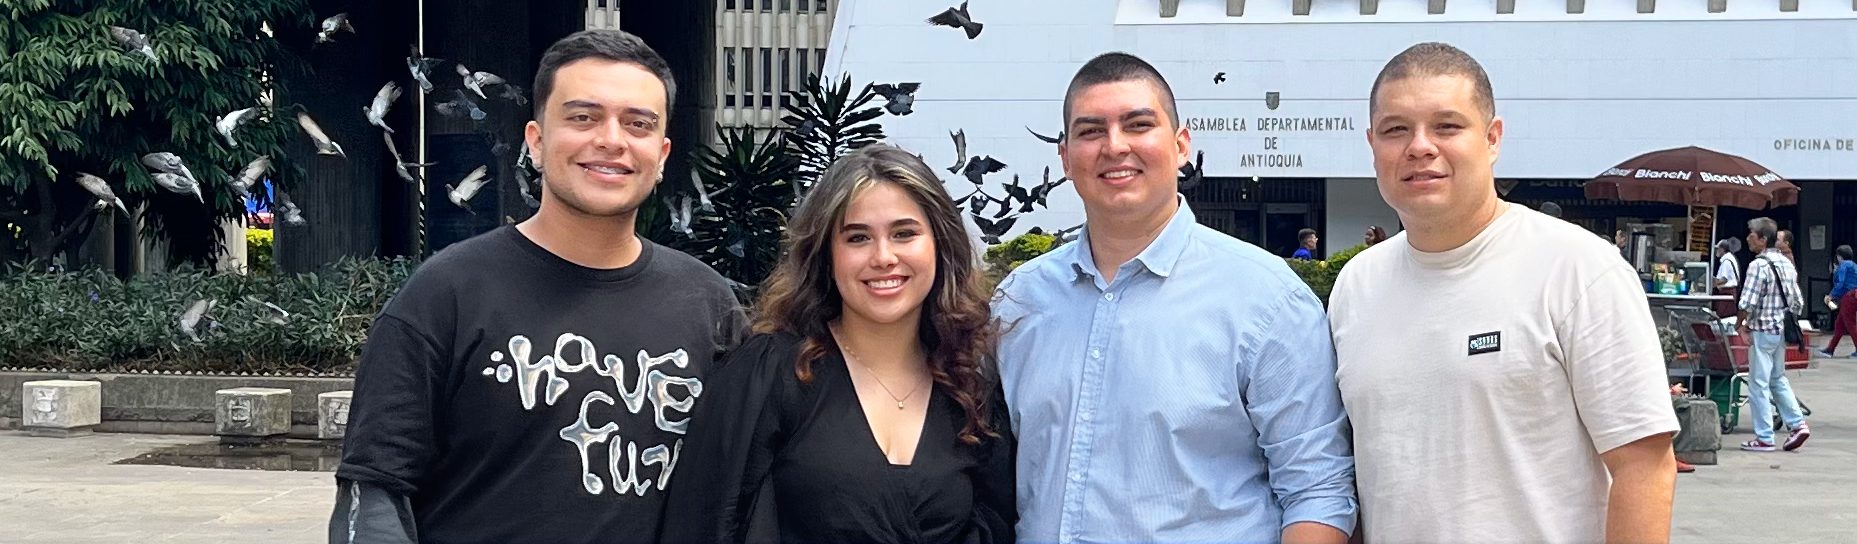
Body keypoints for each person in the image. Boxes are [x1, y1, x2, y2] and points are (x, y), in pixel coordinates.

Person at [330, 30, 747, 544]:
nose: (611, 139)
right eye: (583, 117)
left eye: (637, 124)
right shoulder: (445, 294)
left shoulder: (709, 304)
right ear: (536, 141)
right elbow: (375, 493)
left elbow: (748, 483)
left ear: (661, 155)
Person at [993, 52, 1356, 543]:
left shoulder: (1267, 301)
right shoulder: (1019, 302)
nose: (1115, 146)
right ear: (1065, 157)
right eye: (1091, 131)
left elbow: (1317, 489)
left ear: (1181, 145)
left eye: (1138, 125)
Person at [1329, 42, 1678, 544]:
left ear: (1492, 138)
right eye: (1395, 129)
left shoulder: (1578, 269)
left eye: (1447, 126)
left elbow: (1645, 467)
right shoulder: (1356, 286)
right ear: (1372, 144)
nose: (1420, 147)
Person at [663, 145, 1015, 543]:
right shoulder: (769, 373)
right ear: (826, 255)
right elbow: (702, 523)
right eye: (858, 237)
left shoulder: (970, 387)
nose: (884, 257)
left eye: (904, 233)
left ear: (939, 244)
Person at [1737, 217, 1811, 452]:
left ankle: (1765, 437)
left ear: (1763, 239)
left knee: (1758, 385)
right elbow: (1797, 302)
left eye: (1751, 234)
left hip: (1762, 330)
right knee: (1778, 379)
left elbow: (1747, 302)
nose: (1748, 238)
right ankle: (1798, 424)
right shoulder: (1786, 264)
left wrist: (1740, 324)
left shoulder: (1758, 265)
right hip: (1780, 331)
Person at [1821, 245, 1857, 358]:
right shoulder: (1854, 265)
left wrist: (1831, 295)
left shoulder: (1843, 265)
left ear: (1839, 256)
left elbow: (1841, 283)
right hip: (1854, 295)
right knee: (1840, 325)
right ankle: (1830, 349)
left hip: (1849, 296)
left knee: (1850, 324)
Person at [1712, 238, 1743, 318]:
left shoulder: (1726, 261)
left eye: (1717, 249)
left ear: (1722, 249)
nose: (1716, 251)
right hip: (1729, 291)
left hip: (1727, 292)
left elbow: (1723, 280)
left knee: (1724, 316)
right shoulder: (1729, 258)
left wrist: (1711, 283)